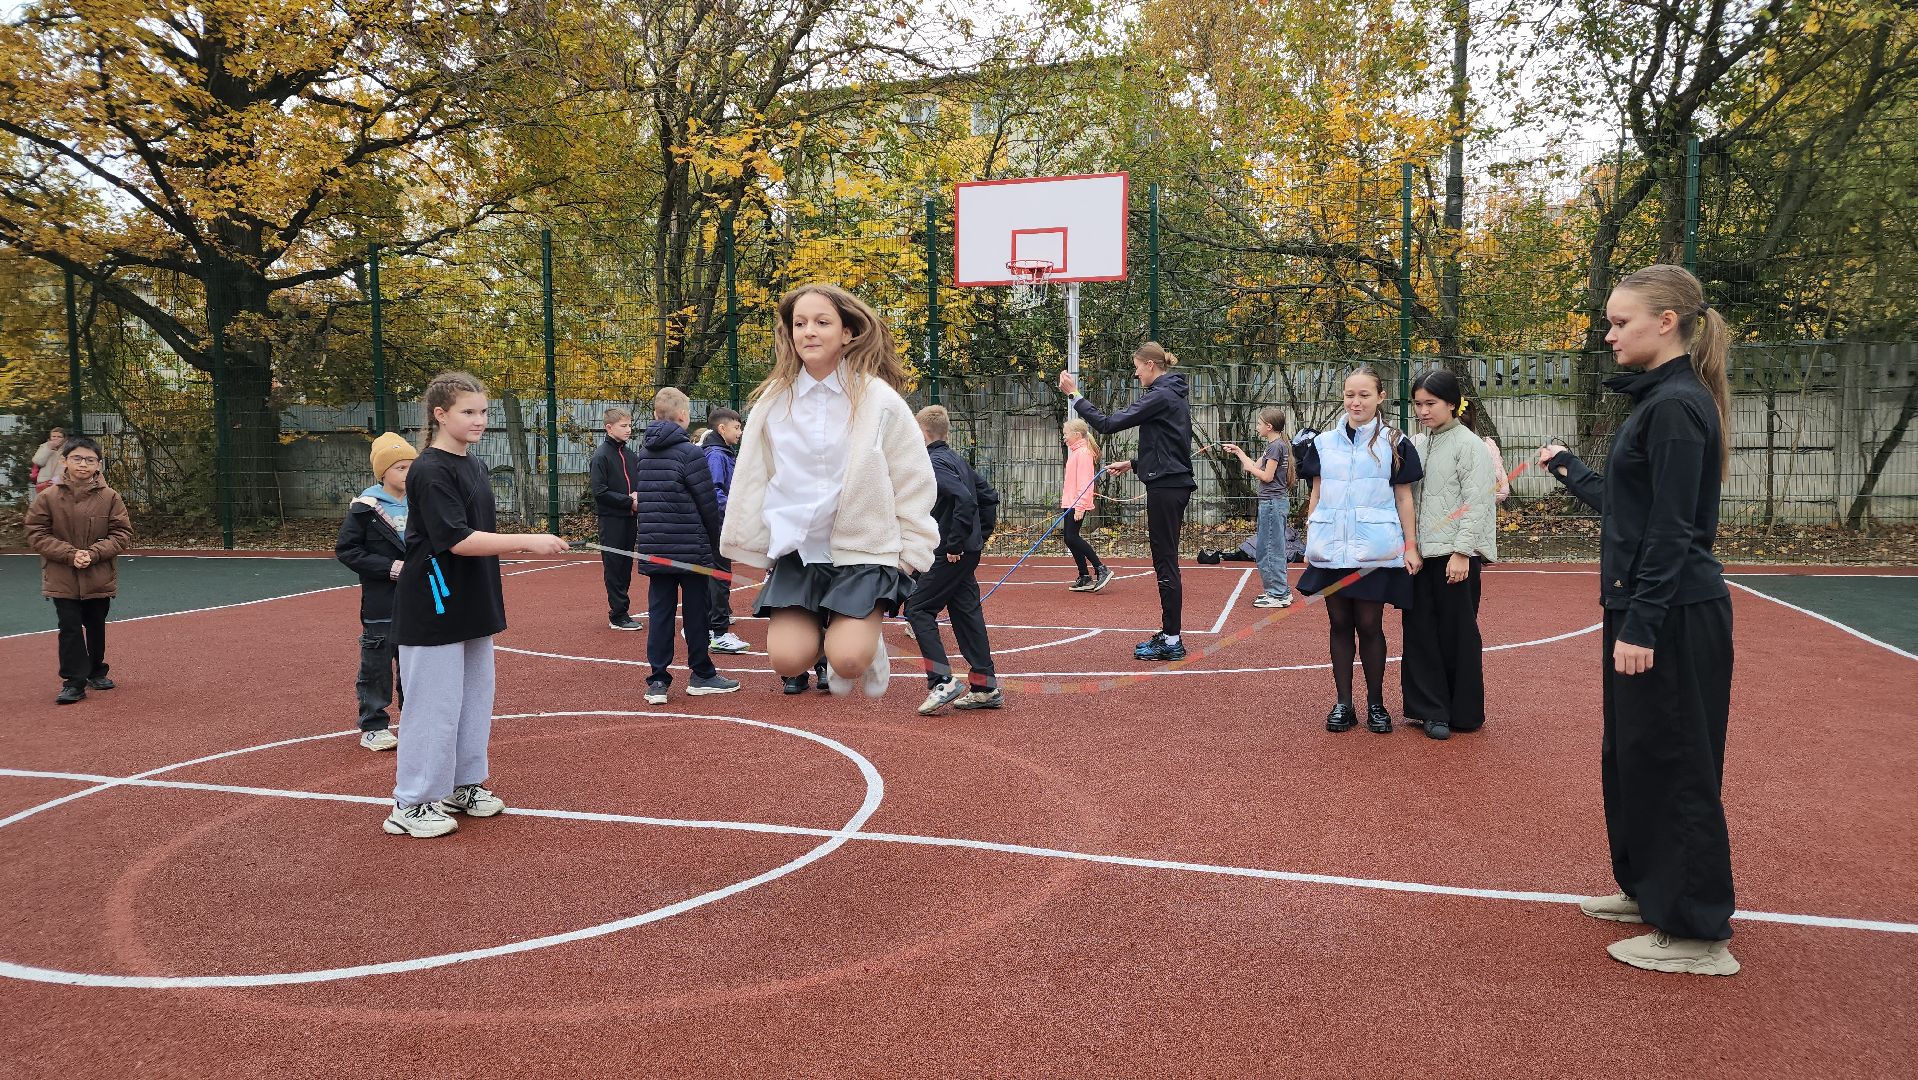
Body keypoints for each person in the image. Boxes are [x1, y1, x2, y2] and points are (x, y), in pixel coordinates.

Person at [1539, 264, 1740, 977]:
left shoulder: (1679, 407)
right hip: (1644, 605)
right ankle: (1651, 889)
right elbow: (1635, 509)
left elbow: (1673, 531)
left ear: (1667, 323)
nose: (1609, 333)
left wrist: (1643, 624)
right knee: (1632, 757)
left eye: (1621, 322)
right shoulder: (1657, 403)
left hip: (1675, 614)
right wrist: (1569, 468)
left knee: (1678, 761)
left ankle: (1695, 932)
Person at [719, 283, 939, 699]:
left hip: (862, 550)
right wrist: (753, 541)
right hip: (801, 552)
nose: (809, 332)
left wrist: (910, 554)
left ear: (847, 333)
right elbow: (757, 477)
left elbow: (914, 479)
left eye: (822, 322)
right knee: (787, 660)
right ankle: (841, 632)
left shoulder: (879, 400)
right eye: (799, 324)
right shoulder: (772, 402)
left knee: (847, 659)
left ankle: (860, 645)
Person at [384, 371, 571, 839]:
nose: (479, 420)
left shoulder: (474, 465)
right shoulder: (428, 470)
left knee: (472, 699)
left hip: (473, 601)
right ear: (440, 414)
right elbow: (456, 540)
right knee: (433, 704)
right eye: (468, 412)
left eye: (483, 412)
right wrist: (530, 542)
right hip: (434, 602)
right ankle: (411, 803)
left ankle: (462, 785)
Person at [1297, 366, 1423, 734]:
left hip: (1375, 549)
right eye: (1350, 394)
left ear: (1381, 397)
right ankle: (1343, 704)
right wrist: (1311, 540)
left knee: (1369, 624)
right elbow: (1316, 494)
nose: (1356, 402)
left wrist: (1410, 545)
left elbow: (1404, 497)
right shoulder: (1323, 443)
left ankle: (1376, 704)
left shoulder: (1394, 441)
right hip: (1331, 548)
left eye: (1364, 395)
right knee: (1338, 623)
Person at [1057, 342, 1195, 661]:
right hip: (1168, 482)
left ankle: (1172, 641)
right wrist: (1134, 464)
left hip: (1167, 486)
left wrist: (1074, 394)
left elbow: (1107, 424)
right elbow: (1170, 444)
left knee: (1165, 561)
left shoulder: (1161, 394)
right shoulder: (1170, 395)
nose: (1135, 373)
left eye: (1137, 366)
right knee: (1165, 560)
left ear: (1150, 365)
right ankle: (1170, 633)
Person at [1401, 370, 1498, 741]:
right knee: (1420, 630)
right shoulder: (1419, 444)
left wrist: (1462, 552)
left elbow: (1477, 503)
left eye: (1430, 404)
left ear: (1452, 404)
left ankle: (1464, 711)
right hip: (1421, 556)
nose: (1423, 411)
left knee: (1457, 632)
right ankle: (1430, 709)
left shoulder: (1470, 446)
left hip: (1455, 556)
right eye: (1418, 404)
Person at [633, 387, 742, 704]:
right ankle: (702, 674)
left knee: (661, 613)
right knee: (697, 612)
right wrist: (714, 539)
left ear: (655, 415)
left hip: (657, 547)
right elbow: (707, 502)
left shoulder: (644, 453)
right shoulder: (691, 453)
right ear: (684, 416)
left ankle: (657, 680)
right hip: (690, 547)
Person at [907, 406, 1005, 715]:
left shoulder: (934, 463)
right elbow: (988, 496)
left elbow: (965, 498)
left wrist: (957, 543)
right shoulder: (957, 460)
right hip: (963, 549)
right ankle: (985, 687)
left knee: (918, 608)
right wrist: (978, 537)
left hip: (950, 551)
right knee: (966, 612)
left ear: (922, 433)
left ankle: (941, 681)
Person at [24, 436, 131, 705]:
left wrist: (93, 554)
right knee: (69, 627)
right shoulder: (47, 497)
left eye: (90, 460)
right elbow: (36, 533)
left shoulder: (110, 497)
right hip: (62, 575)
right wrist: (71, 555)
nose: (83, 464)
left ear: (99, 465)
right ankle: (73, 681)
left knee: (95, 624)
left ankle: (96, 670)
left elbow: (121, 534)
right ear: (64, 461)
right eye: (77, 458)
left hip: (98, 574)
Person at [334, 432, 416, 751]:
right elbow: (347, 550)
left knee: (415, 664)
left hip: (418, 603)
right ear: (383, 473)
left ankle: (413, 720)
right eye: (400, 468)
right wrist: (390, 568)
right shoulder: (364, 509)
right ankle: (373, 725)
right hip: (381, 604)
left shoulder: (424, 506)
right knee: (377, 665)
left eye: (412, 466)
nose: (408, 474)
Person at [1221, 406, 1295, 609]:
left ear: (1269, 426)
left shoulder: (1275, 446)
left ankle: (1278, 594)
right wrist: (1238, 452)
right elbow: (1253, 464)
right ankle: (1279, 591)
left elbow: (1267, 476)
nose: (1257, 427)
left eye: (1259, 424)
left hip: (1272, 504)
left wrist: (1253, 469)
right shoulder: (1276, 445)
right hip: (1272, 504)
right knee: (1267, 549)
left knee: (1270, 549)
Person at [590, 407, 643, 631]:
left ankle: (622, 611)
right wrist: (627, 501)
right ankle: (618, 614)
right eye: (623, 426)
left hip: (630, 519)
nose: (628, 430)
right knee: (614, 566)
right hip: (612, 521)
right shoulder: (601, 456)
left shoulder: (631, 456)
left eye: (629, 425)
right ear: (609, 427)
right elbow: (600, 492)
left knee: (625, 565)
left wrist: (639, 497)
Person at [702, 408, 750, 654]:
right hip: (717, 525)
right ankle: (718, 633)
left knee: (717, 576)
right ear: (722, 429)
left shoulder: (721, 453)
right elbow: (715, 492)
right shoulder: (716, 456)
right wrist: (733, 515)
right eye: (736, 428)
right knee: (720, 576)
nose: (740, 432)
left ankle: (709, 627)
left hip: (718, 524)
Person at [1058, 416, 1113, 593]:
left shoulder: (1083, 454)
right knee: (1069, 537)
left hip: (1077, 503)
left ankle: (1100, 568)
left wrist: (1080, 506)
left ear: (1076, 434)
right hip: (1070, 501)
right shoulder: (1076, 452)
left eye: (1066, 434)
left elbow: (1085, 483)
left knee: (1072, 537)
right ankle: (1084, 576)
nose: (1064, 437)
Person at [30, 427, 64, 493]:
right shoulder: (44, 447)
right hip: (44, 482)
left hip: (60, 482)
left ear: (64, 439)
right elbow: (38, 461)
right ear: (50, 437)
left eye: (59, 437)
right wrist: (48, 449)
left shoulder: (67, 449)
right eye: (53, 436)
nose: (56, 438)